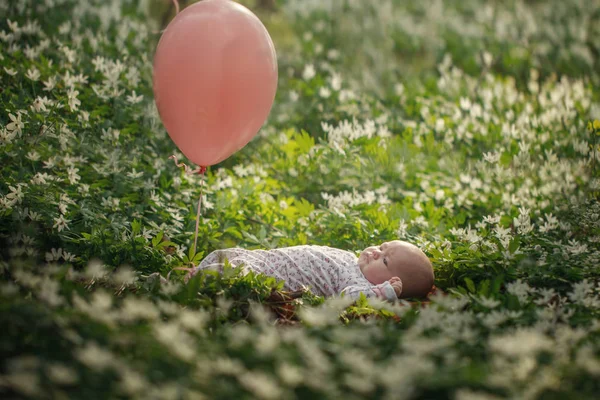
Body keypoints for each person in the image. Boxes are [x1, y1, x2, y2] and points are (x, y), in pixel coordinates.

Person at [191, 240, 435, 301]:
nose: (375, 253)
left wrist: (384, 293)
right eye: (382, 247)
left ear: (391, 282)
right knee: (228, 255)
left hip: (273, 276)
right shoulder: (353, 261)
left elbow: (348, 300)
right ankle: (199, 275)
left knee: (235, 275)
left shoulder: (361, 286)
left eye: (383, 261)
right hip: (269, 259)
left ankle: (196, 284)